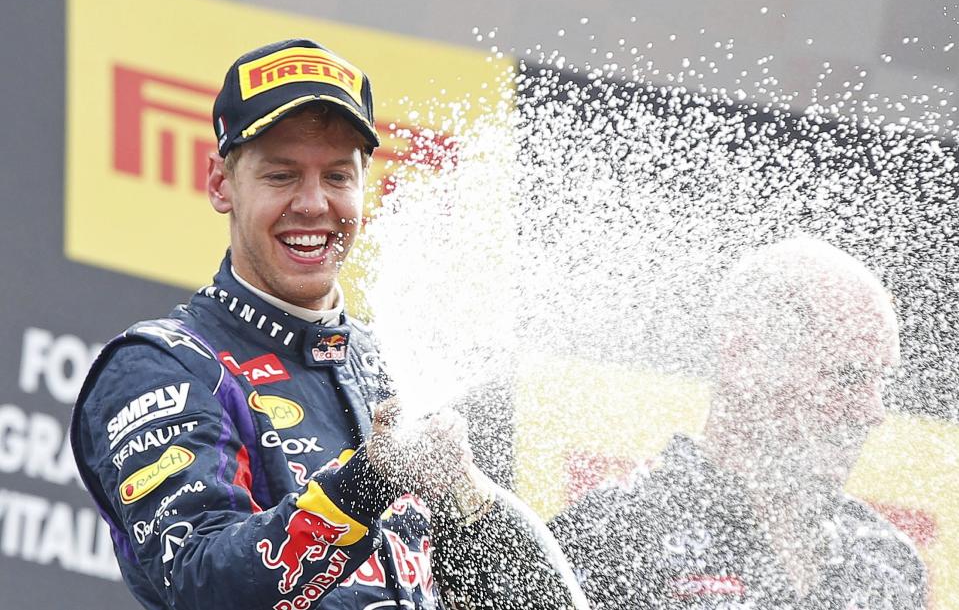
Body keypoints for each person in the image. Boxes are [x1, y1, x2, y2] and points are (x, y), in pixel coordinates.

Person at [71, 38, 586, 610]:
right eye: (281, 176)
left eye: (338, 176)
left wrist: (470, 505)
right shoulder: (162, 364)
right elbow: (201, 585)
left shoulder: (392, 366)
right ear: (221, 184)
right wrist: (367, 480)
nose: (314, 204)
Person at [551, 238, 928, 609]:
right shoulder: (605, 537)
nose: (872, 412)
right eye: (847, 376)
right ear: (744, 357)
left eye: (880, 380)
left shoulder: (885, 558)